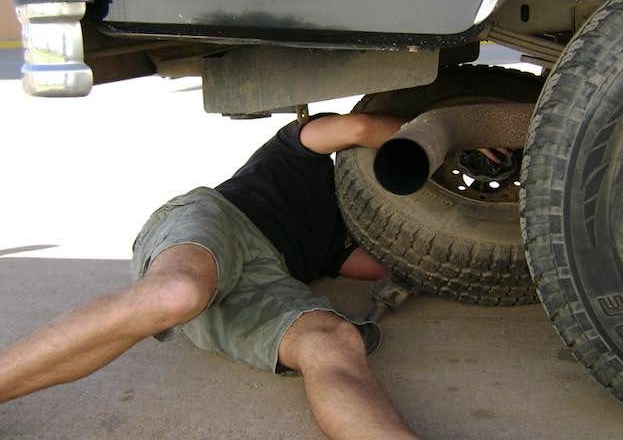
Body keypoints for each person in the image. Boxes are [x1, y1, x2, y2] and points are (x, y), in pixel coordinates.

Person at [0, 112, 420, 440]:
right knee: (177, 292)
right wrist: (439, 142)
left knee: (331, 340)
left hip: (267, 277)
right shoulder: (301, 154)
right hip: (218, 221)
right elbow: (359, 127)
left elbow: (401, 265)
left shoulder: (348, 237)